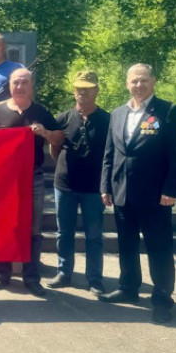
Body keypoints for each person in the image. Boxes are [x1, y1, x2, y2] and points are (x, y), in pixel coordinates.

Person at [100, 64, 176, 324]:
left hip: (156, 196)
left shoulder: (168, 111)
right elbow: (110, 153)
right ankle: (129, 289)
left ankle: (162, 299)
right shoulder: (117, 114)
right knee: (126, 245)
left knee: (159, 247)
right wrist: (106, 185)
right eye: (134, 81)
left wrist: (171, 189)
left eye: (144, 80)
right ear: (127, 83)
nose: (139, 85)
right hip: (122, 193)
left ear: (154, 81)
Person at [0, 68, 64, 296]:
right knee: (3, 227)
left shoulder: (41, 111)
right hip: (4, 180)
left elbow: (60, 137)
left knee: (33, 229)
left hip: (33, 177)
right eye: (15, 82)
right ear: (9, 85)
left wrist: (46, 133)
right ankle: (2, 274)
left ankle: (31, 277)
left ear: (31, 86)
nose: (19, 87)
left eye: (24, 82)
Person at [47, 70, 109, 295]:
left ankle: (94, 278)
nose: (83, 93)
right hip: (64, 186)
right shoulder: (62, 118)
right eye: (79, 89)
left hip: (94, 188)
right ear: (74, 92)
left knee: (94, 235)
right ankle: (64, 273)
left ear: (97, 91)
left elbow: (110, 154)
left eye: (88, 89)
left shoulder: (108, 120)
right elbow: (54, 146)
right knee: (64, 232)